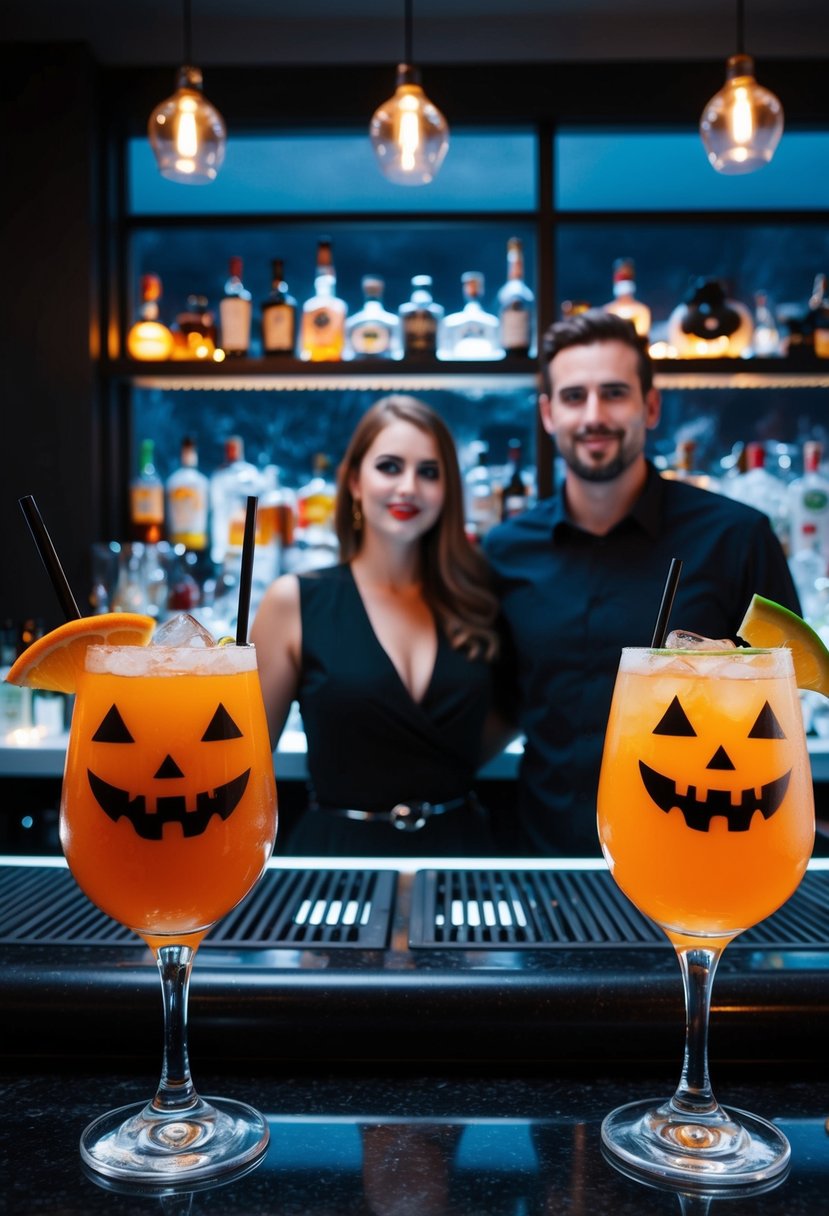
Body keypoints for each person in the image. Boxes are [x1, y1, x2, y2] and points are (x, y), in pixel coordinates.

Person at [483, 309, 801, 858]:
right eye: (574, 397)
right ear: (548, 414)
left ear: (649, 407)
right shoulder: (506, 549)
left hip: (695, 859)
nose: (594, 415)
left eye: (614, 394)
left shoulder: (737, 536)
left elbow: (785, 698)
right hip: (547, 865)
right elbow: (498, 702)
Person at [251, 394, 503, 857]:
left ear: (448, 490)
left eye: (429, 472)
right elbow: (240, 762)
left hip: (463, 859)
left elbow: (505, 716)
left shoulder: (478, 599)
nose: (408, 487)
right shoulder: (293, 601)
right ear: (353, 481)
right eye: (389, 467)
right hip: (335, 860)